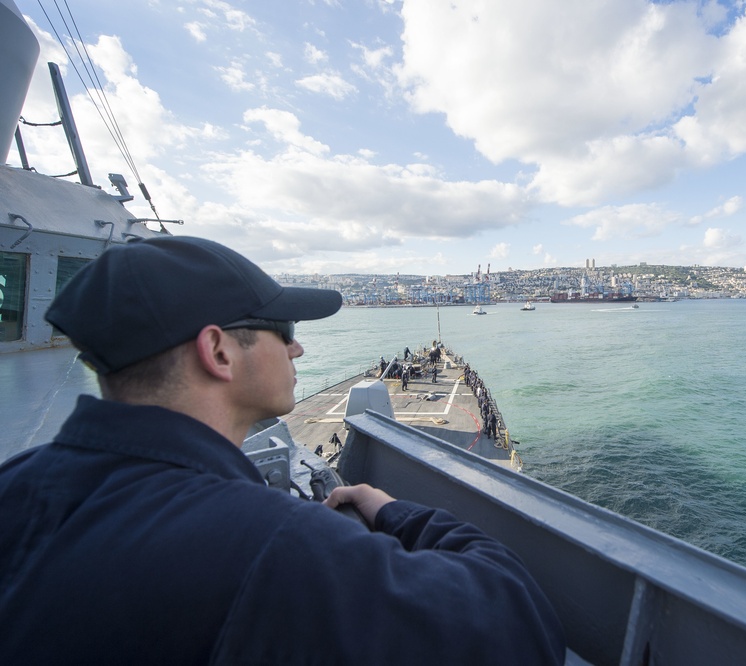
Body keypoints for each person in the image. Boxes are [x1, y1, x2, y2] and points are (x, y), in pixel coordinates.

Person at [0, 236, 564, 664]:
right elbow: (519, 625)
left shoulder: (15, 484)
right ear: (218, 352)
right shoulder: (274, 543)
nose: (297, 346)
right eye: (283, 326)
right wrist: (396, 513)